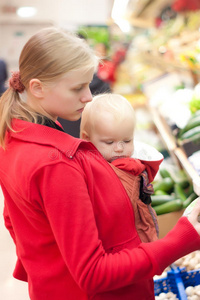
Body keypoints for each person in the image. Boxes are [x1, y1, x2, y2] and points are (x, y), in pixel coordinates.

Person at [0, 27, 200, 300]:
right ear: (37, 87)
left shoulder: (15, 136)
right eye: (77, 88)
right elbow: (94, 274)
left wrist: (44, 265)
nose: (88, 97)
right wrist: (180, 239)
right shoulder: (55, 163)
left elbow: (15, 220)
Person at [80, 93, 163, 243]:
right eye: (109, 142)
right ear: (87, 139)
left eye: (127, 140)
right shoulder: (87, 172)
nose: (119, 148)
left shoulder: (133, 164)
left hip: (139, 237)